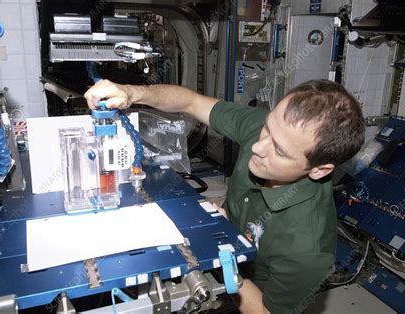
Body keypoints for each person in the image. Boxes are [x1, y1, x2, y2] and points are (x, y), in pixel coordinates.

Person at [84, 79, 365, 313]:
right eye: (267, 126)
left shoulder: (307, 249)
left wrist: (219, 262)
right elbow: (190, 102)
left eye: (279, 151)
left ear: (318, 170)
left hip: (246, 294)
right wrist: (134, 93)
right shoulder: (276, 132)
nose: (258, 147)